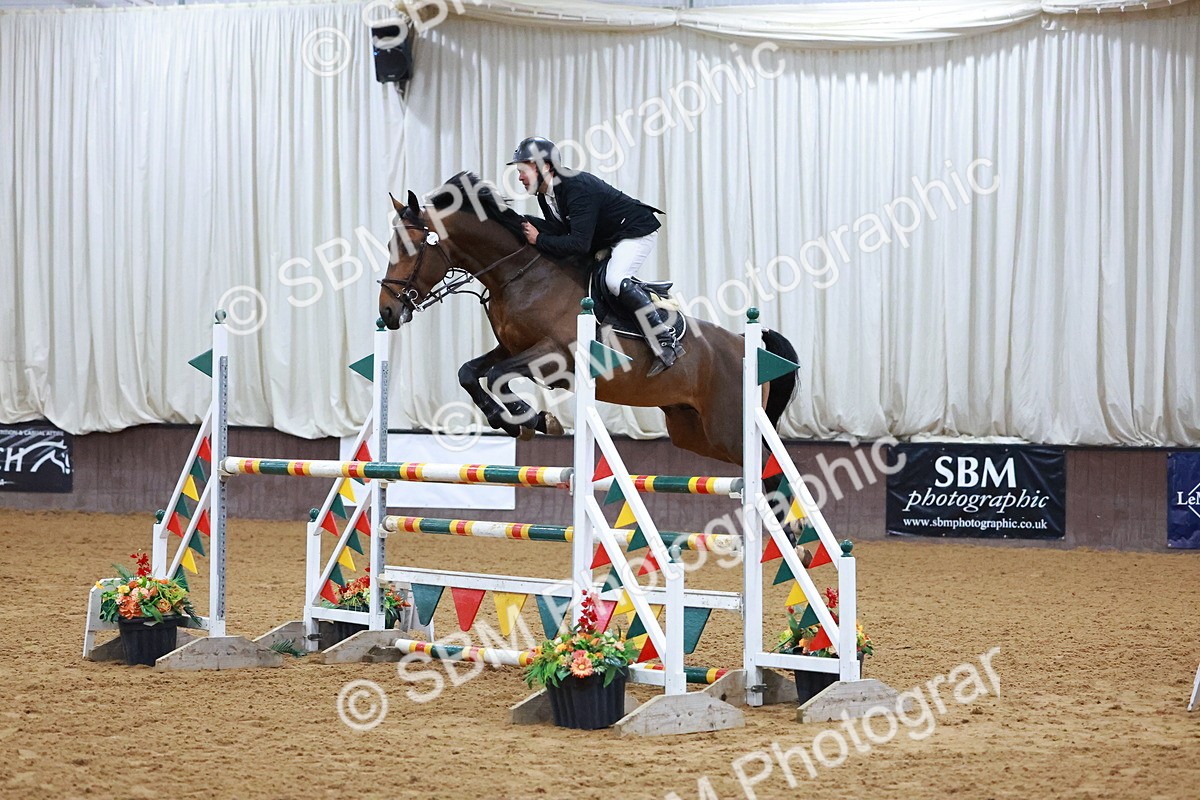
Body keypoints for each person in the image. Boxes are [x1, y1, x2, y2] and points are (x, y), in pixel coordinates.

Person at [507, 136, 683, 374]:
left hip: (633, 231)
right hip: (605, 238)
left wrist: (539, 239)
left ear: (545, 166)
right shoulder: (545, 194)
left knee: (615, 280)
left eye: (523, 170)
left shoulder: (576, 187)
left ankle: (666, 340)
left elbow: (578, 243)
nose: (519, 177)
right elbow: (561, 231)